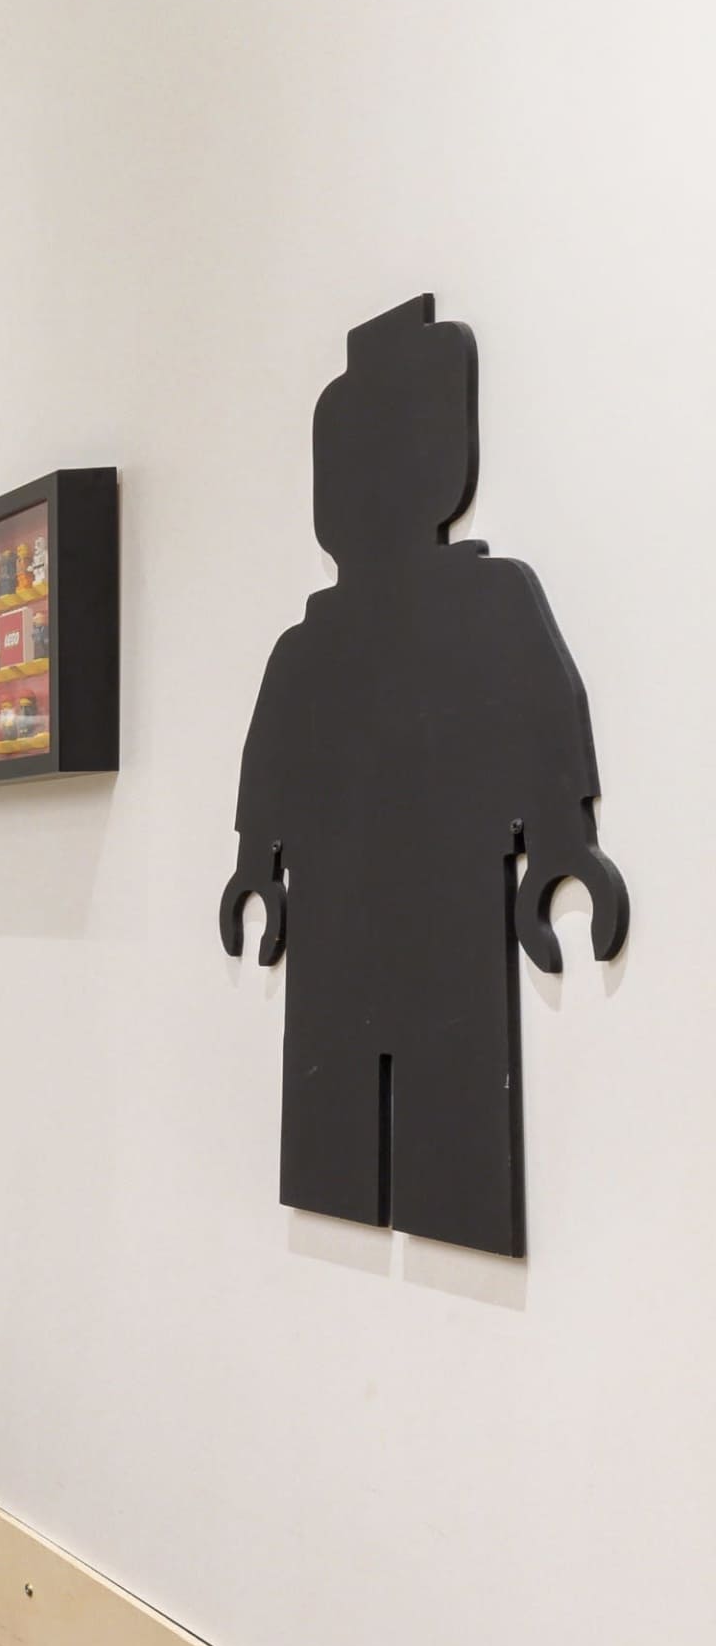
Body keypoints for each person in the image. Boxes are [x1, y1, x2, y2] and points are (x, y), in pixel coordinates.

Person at [217, 296, 624, 1257]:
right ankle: (350, 1177)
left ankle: (452, 1199)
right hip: (338, 908)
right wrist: (256, 865)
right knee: (331, 1106)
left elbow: (539, 715)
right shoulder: (306, 647)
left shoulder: (492, 600)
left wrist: (562, 844)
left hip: (451, 902)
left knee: (457, 1107)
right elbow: (270, 762)